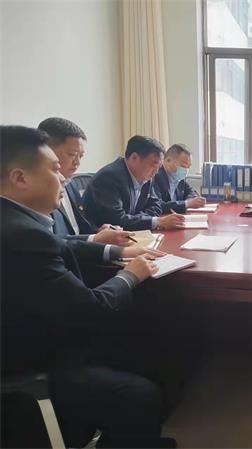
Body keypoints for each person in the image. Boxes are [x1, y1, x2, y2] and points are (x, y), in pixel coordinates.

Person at [0, 126, 175, 448]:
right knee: (142, 391)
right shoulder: (20, 234)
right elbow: (91, 309)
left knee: (149, 342)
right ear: (20, 178)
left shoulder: (17, 220)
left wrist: (118, 252)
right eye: (55, 168)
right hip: (34, 361)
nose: (64, 178)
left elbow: (64, 244)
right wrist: (130, 275)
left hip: (39, 332)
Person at [38, 117, 134, 245]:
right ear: (47, 151)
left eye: (81, 156)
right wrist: (94, 238)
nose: (77, 162)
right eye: (72, 154)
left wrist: (99, 232)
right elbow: (48, 241)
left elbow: (79, 228)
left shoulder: (71, 184)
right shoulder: (37, 190)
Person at [83, 135, 185, 231]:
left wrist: (137, 219)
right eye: (154, 164)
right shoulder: (109, 177)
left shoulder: (146, 176)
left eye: (159, 167)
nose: (156, 172)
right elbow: (116, 220)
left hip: (133, 234)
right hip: (102, 238)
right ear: (134, 158)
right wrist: (156, 222)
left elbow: (156, 206)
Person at [153, 143, 206, 213]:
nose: (186, 170)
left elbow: (192, 192)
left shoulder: (179, 178)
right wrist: (187, 204)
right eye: (183, 166)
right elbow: (158, 205)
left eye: (188, 167)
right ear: (168, 160)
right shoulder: (155, 176)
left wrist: (191, 201)